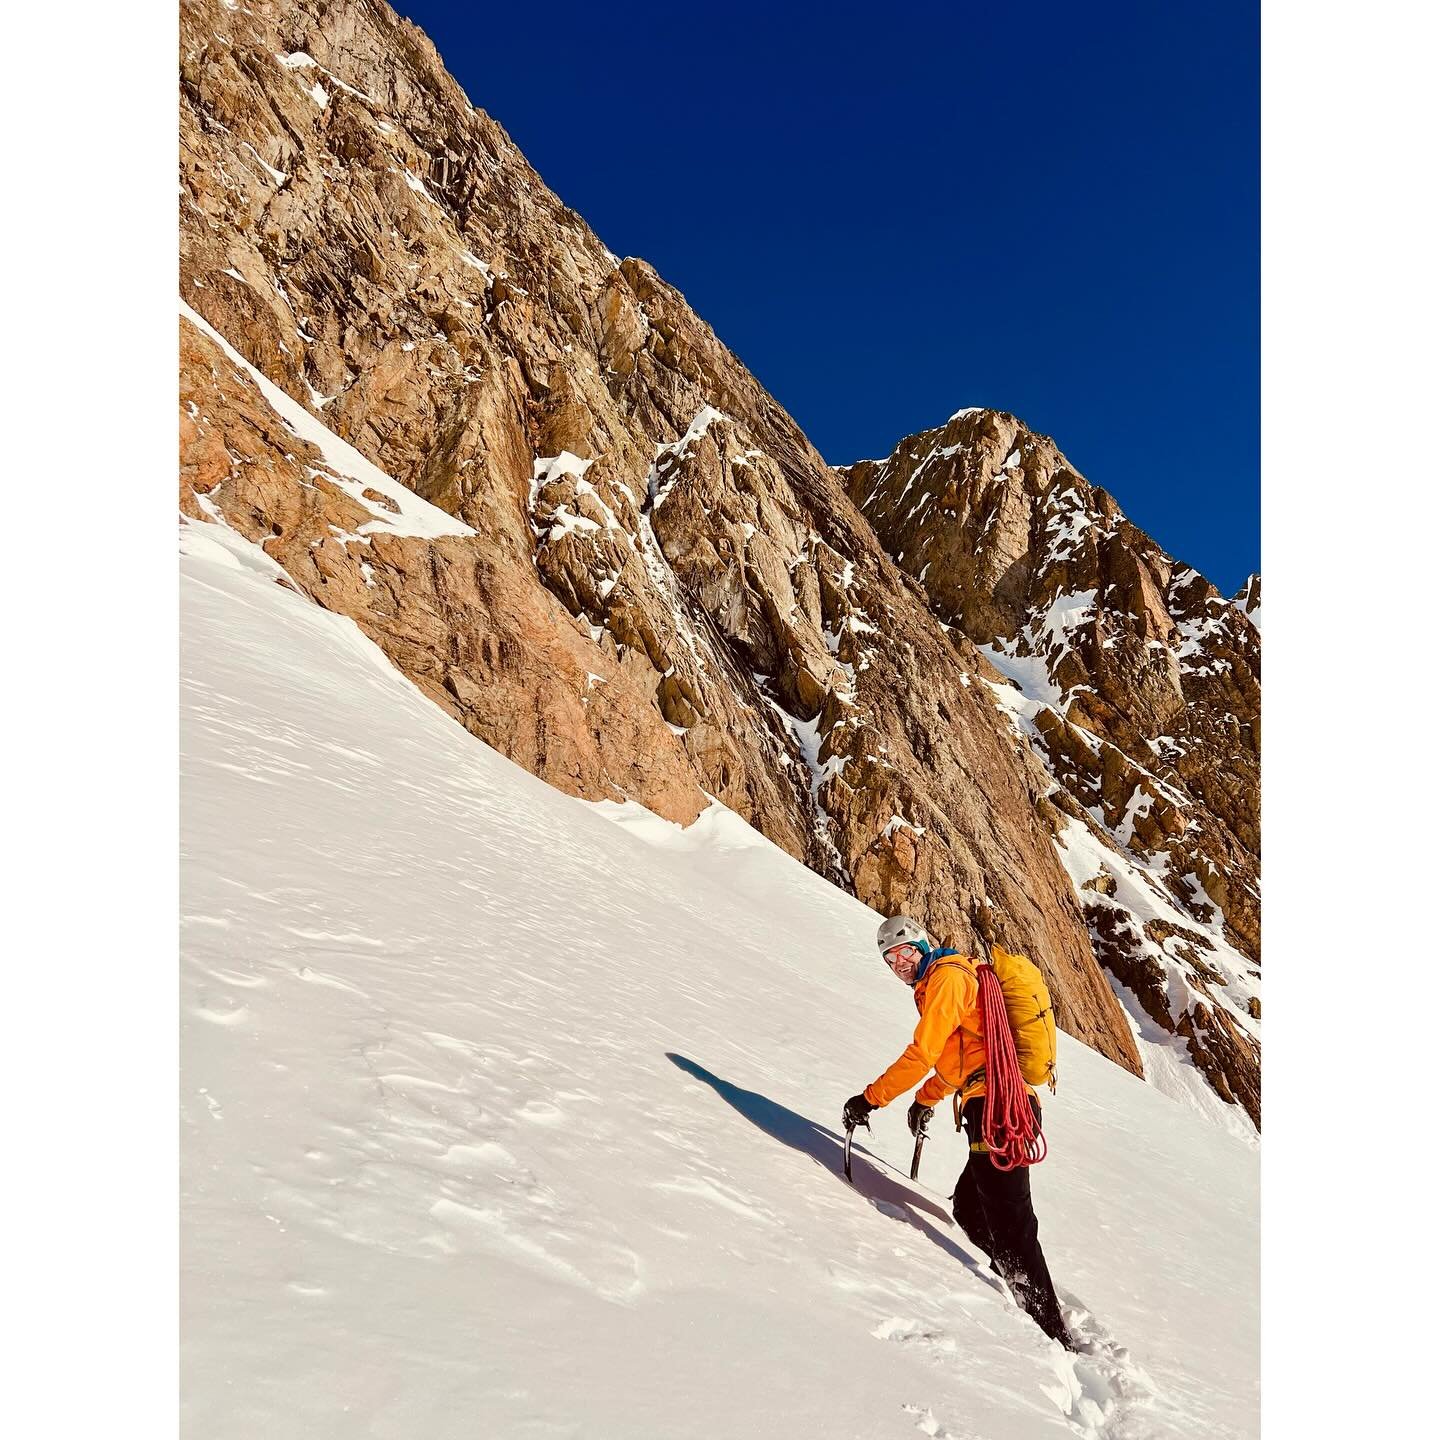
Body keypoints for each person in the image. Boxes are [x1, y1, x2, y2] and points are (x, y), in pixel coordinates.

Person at [842, 914, 1075, 1350]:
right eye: (890, 959)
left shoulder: (946, 979)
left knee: (1011, 1223)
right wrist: (925, 1100)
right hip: (991, 1102)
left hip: (998, 1107)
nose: (899, 964)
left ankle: (1050, 1331)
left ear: (922, 945)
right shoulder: (941, 982)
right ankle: (1015, 1280)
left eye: (904, 951)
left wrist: (870, 1098)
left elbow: (923, 1052)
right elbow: (956, 1063)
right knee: (970, 1208)